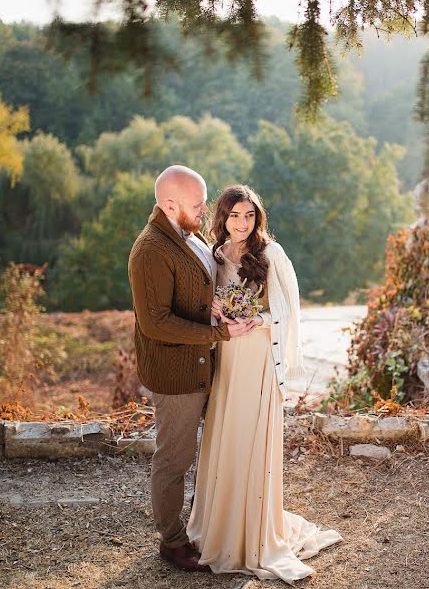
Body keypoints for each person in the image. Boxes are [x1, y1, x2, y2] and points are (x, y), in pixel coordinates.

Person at [186, 185, 341, 583]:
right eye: (234, 216)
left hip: (257, 360)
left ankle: (253, 535)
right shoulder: (215, 254)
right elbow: (206, 303)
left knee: (252, 440)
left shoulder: (272, 254)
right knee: (226, 437)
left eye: (249, 216)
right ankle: (221, 528)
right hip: (227, 360)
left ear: (257, 219)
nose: (241, 223)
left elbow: (288, 309)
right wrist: (218, 311)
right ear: (222, 218)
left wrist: (259, 320)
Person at [128, 165, 253, 572]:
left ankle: (202, 524)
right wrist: (220, 336)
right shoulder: (151, 250)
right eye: (198, 205)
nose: (206, 210)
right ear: (170, 205)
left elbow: (199, 291)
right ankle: (172, 541)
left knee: (210, 448)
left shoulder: (186, 232)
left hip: (202, 363)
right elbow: (156, 323)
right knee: (174, 459)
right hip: (176, 373)